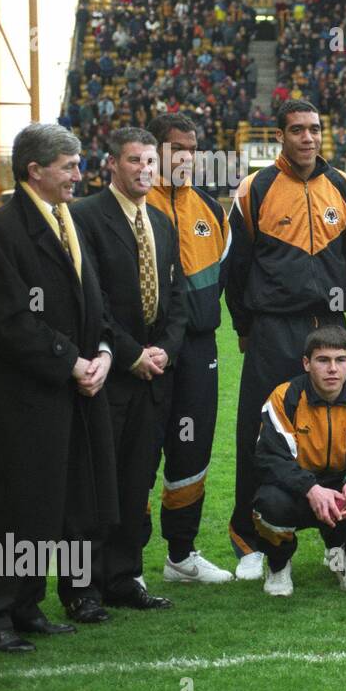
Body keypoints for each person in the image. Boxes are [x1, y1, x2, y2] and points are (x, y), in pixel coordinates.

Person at [0, 124, 118, 651]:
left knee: (55, 502)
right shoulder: (2, 231)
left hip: (75, 390)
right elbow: (10, 321)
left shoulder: (69, 219)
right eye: (68, 165)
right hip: (24, 395)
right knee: (13, 503)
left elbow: (95, 300)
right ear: (34, 171)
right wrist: (71, 363)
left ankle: (26, 602)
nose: (78, 174)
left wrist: (104, 353)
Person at [226, 99, 346, 579]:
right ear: (279, 135)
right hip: (273, 328)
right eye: (297, 129)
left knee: (341, 431)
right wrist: (245, 327)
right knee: (260, 430)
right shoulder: (255, 188)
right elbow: (235, 269)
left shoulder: (342, 186)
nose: (307, 137)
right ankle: (251, 541)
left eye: (314, 129)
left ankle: (338, 537)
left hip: (329, 326)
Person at [71, 126, 186, 613]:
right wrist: (131, 354)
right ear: (112, 165)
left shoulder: (161, 222)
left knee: (136, 480)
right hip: (108, 373)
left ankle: (122, 577)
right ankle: (82, 589)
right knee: (93, 482)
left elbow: (178, 300)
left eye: (150, 163)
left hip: (154, 377)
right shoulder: (85, 218)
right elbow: (90, 302)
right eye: (135, 161)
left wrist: (163, 350)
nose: (144, 170)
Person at [144, 112, 234, 584]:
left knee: (193, 449)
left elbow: (224, 277)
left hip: (200, 348)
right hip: (148, 351)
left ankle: (182, 554)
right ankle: (124, 563)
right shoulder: (136, 203)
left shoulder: (211, 209)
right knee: (139, 451)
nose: (185, 157)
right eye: (176, 147)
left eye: (192, 148)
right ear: (154, 149)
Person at [251, 326, 346, 595]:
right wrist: (311, 489)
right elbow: (271, 459)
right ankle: (278, 565)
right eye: (323, 360)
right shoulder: (284, 397)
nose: (332, 368)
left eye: (340, 360)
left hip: (345, 489)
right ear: (307, 363)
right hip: (299, 490)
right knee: (267, 505)